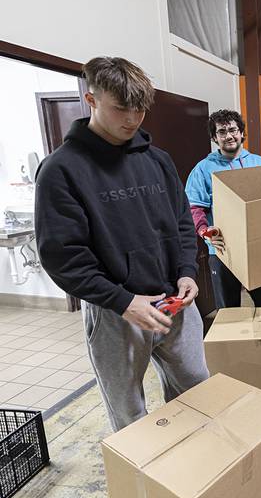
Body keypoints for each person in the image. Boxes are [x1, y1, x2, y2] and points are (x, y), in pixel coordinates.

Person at [34, 57, 209, 432]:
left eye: (140, 109)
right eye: (121, 108)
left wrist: (187, 271)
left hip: (174, 301)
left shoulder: (158, 161)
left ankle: (196, 476)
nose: (132, 119)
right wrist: (123, 302)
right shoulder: (61, 170)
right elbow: (63, 258)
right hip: (115, 310)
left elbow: (180, 223)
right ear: (91, 99)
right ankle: (148, 488)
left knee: (197, 393)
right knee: (128, 414)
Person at [184, 109, 261, 308]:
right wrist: (204, 231)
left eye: (233, 130)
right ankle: (233, 340)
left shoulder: (259, 164)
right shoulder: (203, 169)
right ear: (215, 138)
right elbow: (193, 207)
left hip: (257, 248)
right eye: (222, 132)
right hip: (222, 250)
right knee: (228, 309)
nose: (229, 136)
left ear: (241, 132)